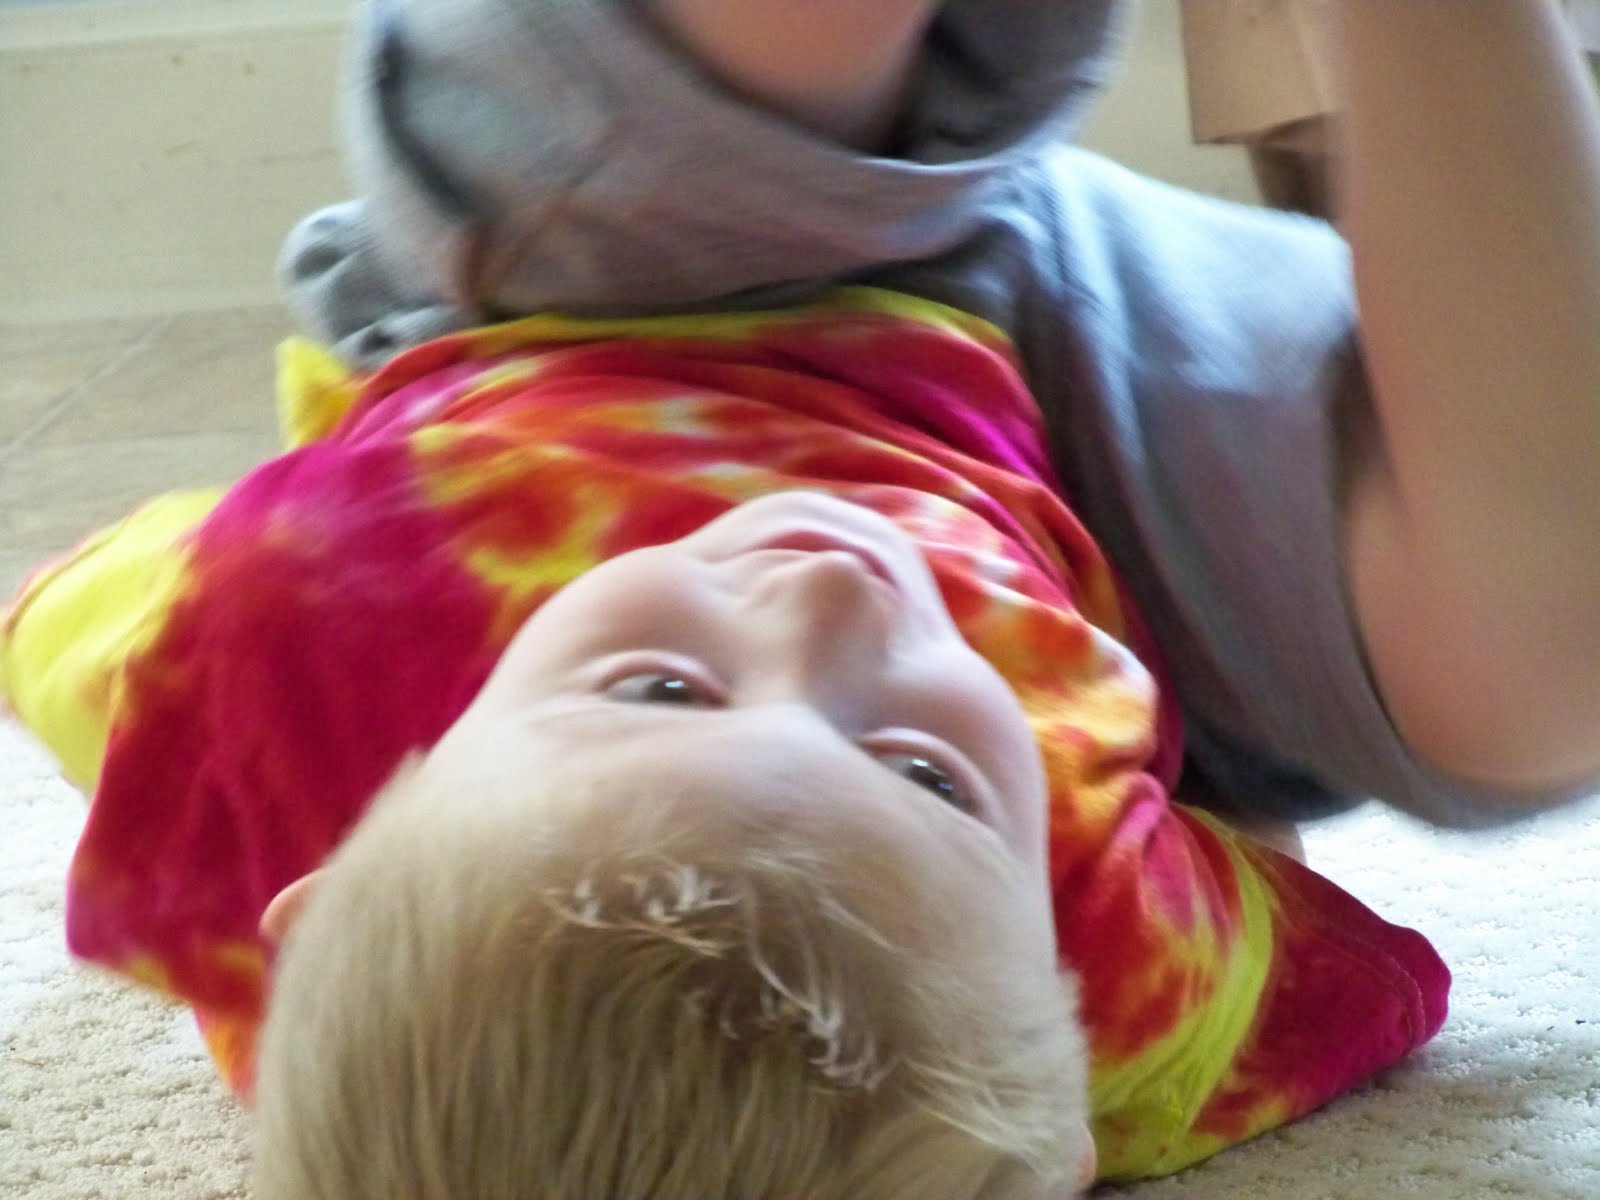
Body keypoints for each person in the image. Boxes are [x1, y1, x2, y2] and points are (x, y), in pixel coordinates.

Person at [1, 0, 1594, 1194]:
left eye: (659, 689)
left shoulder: (264, 659)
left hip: (603, 286)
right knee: (1545, 681)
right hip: (1080, 437)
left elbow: (52, 622)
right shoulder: (1061, 998)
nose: (829, 602)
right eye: (927, 775)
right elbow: (1364, 970)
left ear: (318, 897)